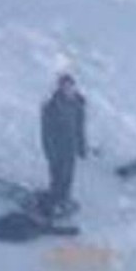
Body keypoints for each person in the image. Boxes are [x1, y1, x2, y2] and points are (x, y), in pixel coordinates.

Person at [39, 73, 87, 218]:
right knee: (57, 176)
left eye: (70, 86)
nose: (68, 90)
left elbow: (79, 127)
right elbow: (46, 131)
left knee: (68, 175)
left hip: (70, 147)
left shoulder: (77, 104)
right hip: (57, 147)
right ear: (60, 88)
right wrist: (49, 150)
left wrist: (81, 146)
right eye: (65, 87)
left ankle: (63, 200)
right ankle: (53, 203)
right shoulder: (52, 106)